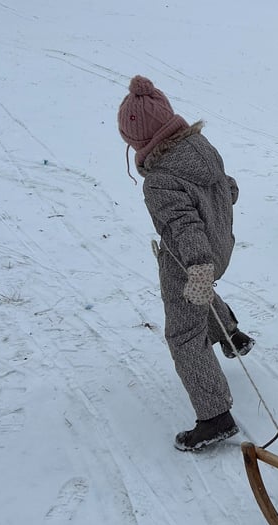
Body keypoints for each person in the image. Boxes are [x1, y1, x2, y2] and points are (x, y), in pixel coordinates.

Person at [117, 75, 254, 452]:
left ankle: (215, 416)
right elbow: (228, 187)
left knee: (184, 334)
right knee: (195, 296)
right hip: (220, 246)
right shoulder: (200, 147)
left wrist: (198, 267)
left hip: (192, 258)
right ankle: (232, 334)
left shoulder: (159, 180)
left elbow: (185, 227)